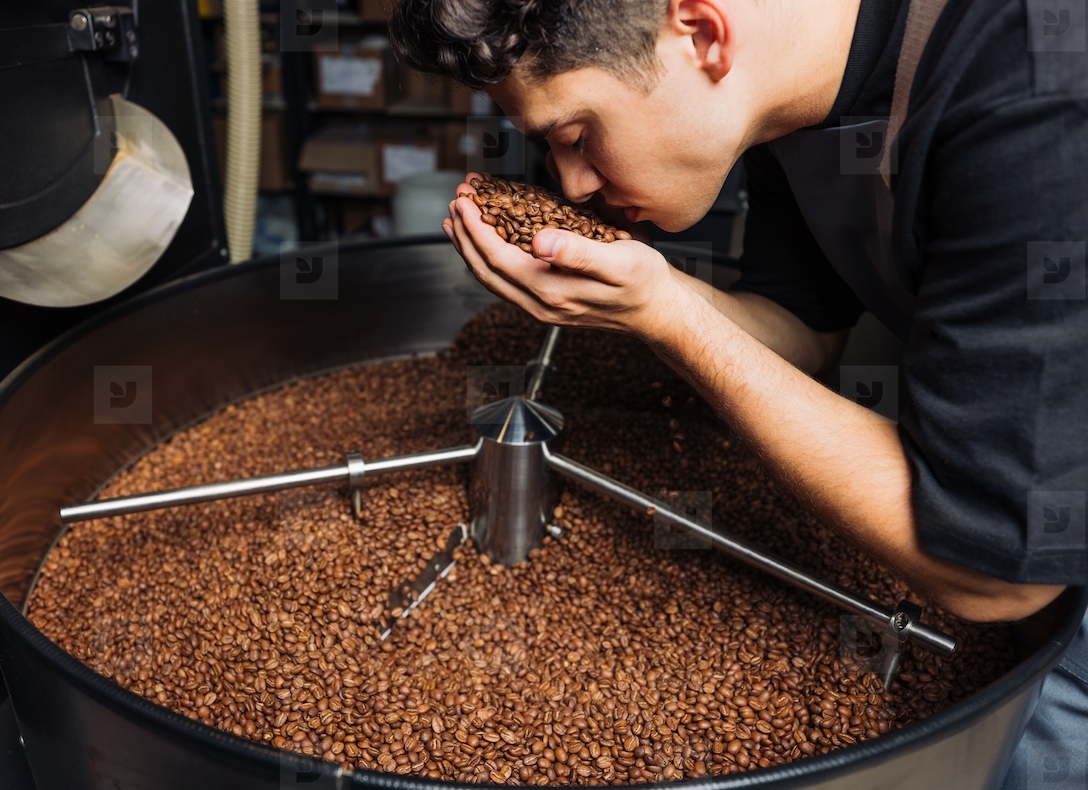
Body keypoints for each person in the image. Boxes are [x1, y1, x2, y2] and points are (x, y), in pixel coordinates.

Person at [389, 0, 1087, 784]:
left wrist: (676, 315)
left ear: (702, 33)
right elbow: (802, 325)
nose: (573, 186)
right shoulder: (783, 89)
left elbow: (999, 574)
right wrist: (645, 304)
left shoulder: (1037, 88)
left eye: (578, 137)